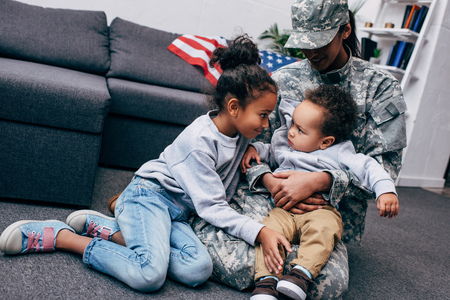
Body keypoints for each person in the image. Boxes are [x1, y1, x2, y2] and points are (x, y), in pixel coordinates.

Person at [0, 35, 288, 293]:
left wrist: (256, 148)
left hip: (177, 213)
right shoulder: (200, 143)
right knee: (148, 275)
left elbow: (264, 149)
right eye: (262, 116)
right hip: (149, 197)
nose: (265, 125)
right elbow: (212, 207)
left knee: (198, 269)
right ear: (234, 107)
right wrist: (261, 231)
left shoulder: (239, 134)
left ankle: (109, 230)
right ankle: (63, 237)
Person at [189, 0, 407, 298]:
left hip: (327, 209)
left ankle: (284, 272)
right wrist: (268, 179)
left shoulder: (381, 88)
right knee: (228, 236)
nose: (311, 53)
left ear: (345, 31)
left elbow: (385, 170)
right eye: (305, 44)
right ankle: (274, 274)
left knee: (328, 285)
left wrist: (322, 181)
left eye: (319, 43)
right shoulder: (283, 80)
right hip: (271, 197)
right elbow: (255, 143)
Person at [243, 85, 399, 300]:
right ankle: (266, 282)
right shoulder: (286, 143)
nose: (291, 131)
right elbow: (269, 150)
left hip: (320, 209)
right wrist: (254, 149)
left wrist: (386, 190)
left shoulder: (339, 151)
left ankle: (301, 275)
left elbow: (368, 166)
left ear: (326, 141)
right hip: (282, 210)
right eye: (293, 124)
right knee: (268, 232)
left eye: (300, 130)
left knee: (326, 228)